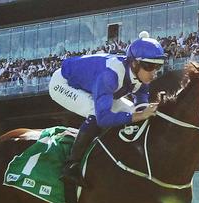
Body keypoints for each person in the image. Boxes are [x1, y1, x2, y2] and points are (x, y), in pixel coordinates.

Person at [49, 31, 166, 186]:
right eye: (149, 66)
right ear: (134, 63)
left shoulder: (141, 75)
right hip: (63, 83)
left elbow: (140, 106)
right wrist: (138, 116)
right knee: (95, 113)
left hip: (93, 84)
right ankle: (71, 165)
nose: (153, 72)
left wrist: (146, 112)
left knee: (131, 111)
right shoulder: (110, 75)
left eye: (157, 66)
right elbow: (103, 118)